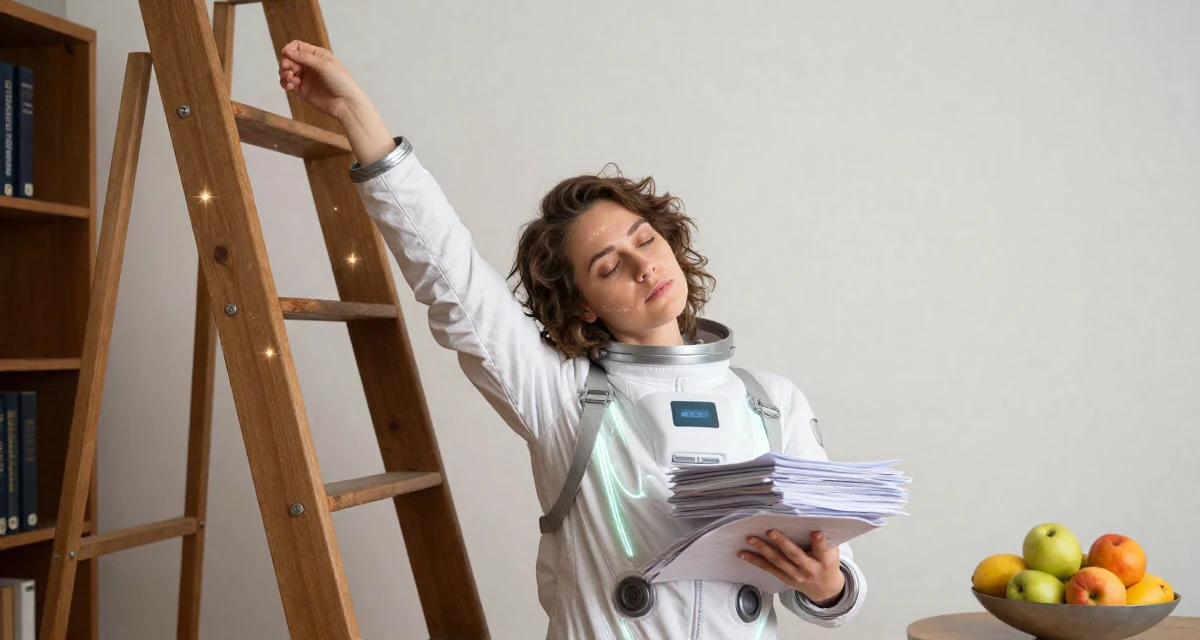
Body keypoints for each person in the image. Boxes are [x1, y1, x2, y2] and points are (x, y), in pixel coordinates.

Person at [277, 39, 867, 639]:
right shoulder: (563, 398)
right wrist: (356, 113)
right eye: (608, 266)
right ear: (581, 304)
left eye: (645, 240)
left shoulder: (772, 402)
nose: (642, 267)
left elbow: (838, 583)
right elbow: (451, 276)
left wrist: (827, 584)